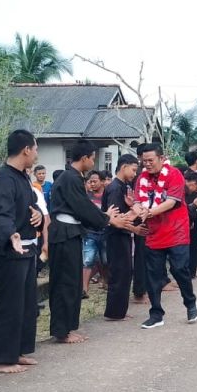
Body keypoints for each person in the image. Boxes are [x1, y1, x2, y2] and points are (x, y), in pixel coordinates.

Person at [0, 129, 44, 374]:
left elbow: (28, 207)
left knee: (26, 304)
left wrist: (37, 215)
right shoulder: (4, 179)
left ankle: (17, 351)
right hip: (10, 251)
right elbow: (0, 212)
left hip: (27, 250)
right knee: (9, 305)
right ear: (26, 149)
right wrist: (10, 234)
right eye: (36, 149)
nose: (37, 154)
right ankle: (0, 358)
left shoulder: (23, 177)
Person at [46, 140, 119, 344]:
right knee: (65, 282)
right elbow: (81, 207)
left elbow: (84, 206)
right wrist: (105, 219)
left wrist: (102, 216)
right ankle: (62, 331)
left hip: (71, 232)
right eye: (93, 158)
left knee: (72, 281)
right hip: (64, 234)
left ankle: (67, 327)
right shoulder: (70, 178)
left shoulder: (74, 177)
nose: (93, 163)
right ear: (85, 157)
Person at [133, 143, 197, 329]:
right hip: (154, 233)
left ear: (162, 158)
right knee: (153, 275)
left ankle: (190, 302)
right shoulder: (141, 179)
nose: (147, 164)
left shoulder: (174, 174)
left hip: (176, 231)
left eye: (150, 160)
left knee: (179, 269)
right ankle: (156, 314)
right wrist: (139, 211)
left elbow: (170, 202)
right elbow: (137, 202)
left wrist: (149, 212)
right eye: (143, 161)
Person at [101, 155, 146, 321]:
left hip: (123, 234)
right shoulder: (114, 188)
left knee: (125, 272)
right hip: (116, 235)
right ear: (123, 166)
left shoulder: (124, 186)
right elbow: (116, 219)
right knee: (119, 273)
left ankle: (119, 309)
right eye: (134, 170)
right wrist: (134, 222)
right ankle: (114, 311)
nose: (135, 174)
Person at [81, 170, 107, 295]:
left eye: (95, 181)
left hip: (105, 232)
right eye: (90, 181)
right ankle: (84, 289)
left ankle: (106, 282)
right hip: (89, 232)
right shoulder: (86, 197)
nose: (92, 184)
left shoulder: (108, 196)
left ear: (102, 182)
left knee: (105, 260)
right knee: (87, 260)